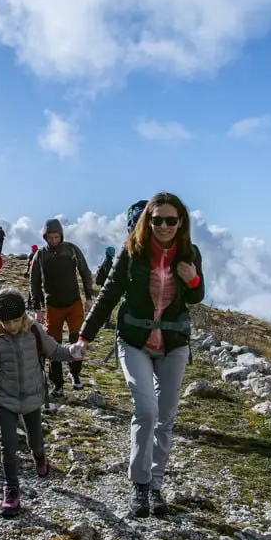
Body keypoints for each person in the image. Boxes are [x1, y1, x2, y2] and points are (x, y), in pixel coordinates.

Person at [71, 192, 204, 519]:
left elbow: (197, 296)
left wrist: (194, 280)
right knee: (146, 411)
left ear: (181, 222)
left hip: (173, 341)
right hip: (134, 339)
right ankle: (140, 485)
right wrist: (83, 337)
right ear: (147, 220)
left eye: (170, 220)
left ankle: (156, 485)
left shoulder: (190, 252)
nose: (163, 226)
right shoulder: (132, 253)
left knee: (167, 413)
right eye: (156, 219)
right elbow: (108, 295)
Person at [0, 288, 84, 518]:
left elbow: (54, 350)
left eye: (16, 321)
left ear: (23, 316)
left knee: (35, 441)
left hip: (33, 397)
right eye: (7, 322)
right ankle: (11, 491)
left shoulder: (34, 330)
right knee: (8, 445)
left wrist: (72, 353)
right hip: (6, 399)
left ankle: (39, 455)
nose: (12, 326)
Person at [29, 218, 95, 395]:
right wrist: (37, 308)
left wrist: (89, 297)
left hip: (74, 303)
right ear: (45, 237)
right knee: (52, 345)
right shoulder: (40, 255)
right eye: (50, 237)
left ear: (61, 235)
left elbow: (85, 272)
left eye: (56, 237)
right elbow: (34, 282)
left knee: (78, 340)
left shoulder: (71, 250)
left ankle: (75, 374)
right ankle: (56, 383)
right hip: (52, 306)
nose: (54, 240)